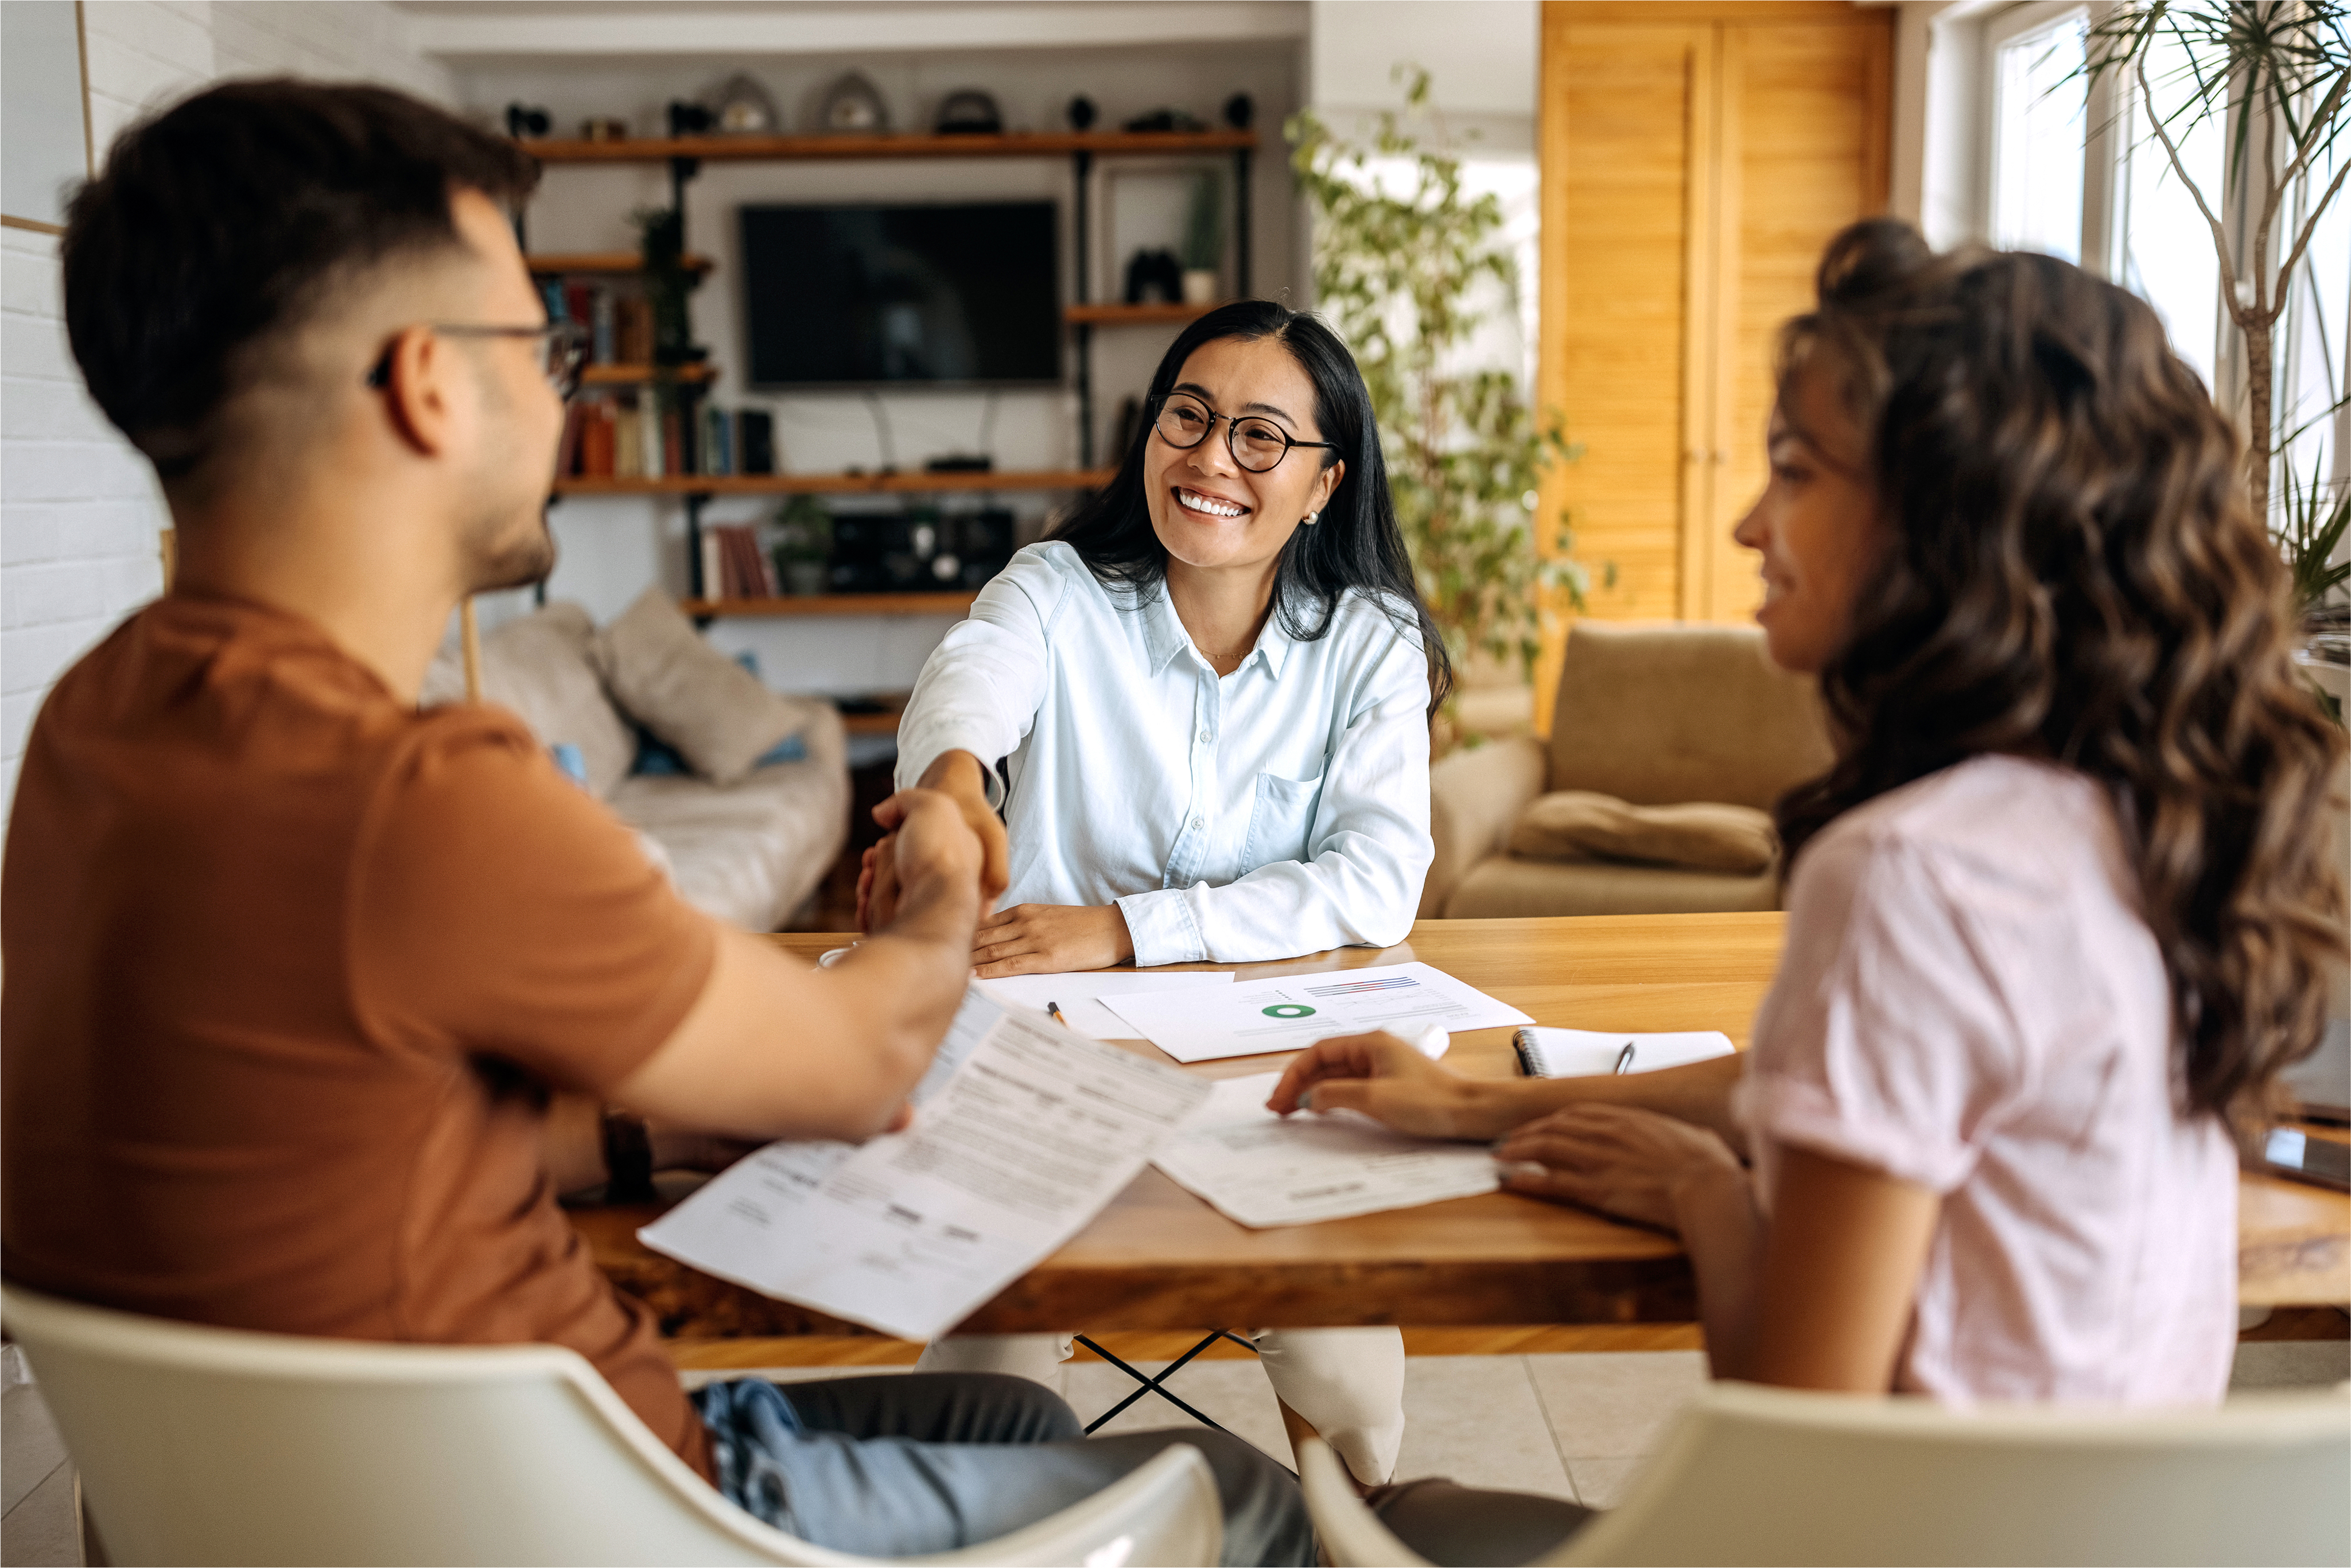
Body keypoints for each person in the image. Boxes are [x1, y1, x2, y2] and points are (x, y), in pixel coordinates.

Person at [0, 79, 1311, 1566]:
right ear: (430, 383)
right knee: (1241, 1496)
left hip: (336, 1497)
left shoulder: (94, 721)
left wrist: (632, 1126)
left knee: (1019, 1423)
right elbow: (869, 1056)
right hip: (587, 1512)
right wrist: (945, 862)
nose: (570, 392)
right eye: (547, 343)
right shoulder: (427, 795)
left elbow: (308, 1115)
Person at [1270, 219, 2347, 1559]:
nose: (1748, 520)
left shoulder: (1913, 871)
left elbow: (1805, 1456)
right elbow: (1814, 1089)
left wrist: (1707, 1197)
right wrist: (1479, 1104)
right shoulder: (2138, 825)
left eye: (1795, 468)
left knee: (1300, 1514)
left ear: (1949, 521)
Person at [865, 301, 1448, 1487]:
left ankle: (1352, 1538)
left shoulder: (1368, 639)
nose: (1212, 457)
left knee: (1345, 1361)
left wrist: (1127, 927)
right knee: (987, 1359)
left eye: (1260, 436)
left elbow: (1379, 877)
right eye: (1189, 414)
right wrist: (951, 787)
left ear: (1325, 482)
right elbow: (973, 676)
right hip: (1048, 1071)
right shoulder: (1058, 588)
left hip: (1266, 1077)